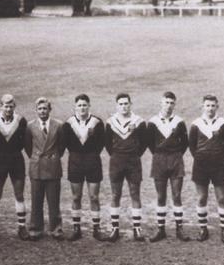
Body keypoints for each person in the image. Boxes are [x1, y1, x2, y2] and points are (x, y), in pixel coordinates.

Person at [188, 94, 224, 243]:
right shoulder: (196, 124)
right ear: (203, 107)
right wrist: (201, 157)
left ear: (217, 107)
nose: (210, 108)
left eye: (213, 105)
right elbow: (192, 146)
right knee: (202, 197)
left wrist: (218, 156)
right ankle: (203, 228)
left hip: (219, 165)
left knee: (221, 197)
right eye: (207, 105)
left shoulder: (223, 124)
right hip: (201, 165)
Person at [146, 91, 190, 242]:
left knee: (177, 195)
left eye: (172, 103)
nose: (169, 106)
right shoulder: (152, 122)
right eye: (166, 102)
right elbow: (150, 144)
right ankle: (161, 229)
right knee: (160, 196)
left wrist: (174, 154)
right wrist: (160, 153)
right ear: (161, 103)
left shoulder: (179, 122)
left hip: (176, 160)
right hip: (159, 160)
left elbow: (185, 143)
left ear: (175, 104)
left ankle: (179, 229)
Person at [0, 94, 30, 240]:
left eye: (11, 106)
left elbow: (26, 140)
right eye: (6, 106)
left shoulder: (21, 121)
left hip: (17, 160)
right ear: (1, 106)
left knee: (19, 195)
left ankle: (22, 227)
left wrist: (15, 150)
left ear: (14, 107)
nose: (8, 109)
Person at [63, 94, 106, 241]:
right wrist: (77, 155)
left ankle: (96, 228)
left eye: (84, 105)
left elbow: (101, 143)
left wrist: (91, 155)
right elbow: (66, 143)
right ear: (75, 107)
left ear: (89, 106)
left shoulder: (97, 122)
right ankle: (76, 229)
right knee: (76, 196)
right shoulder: (68, 123)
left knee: (94, 197)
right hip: (75, 162)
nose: (82, 108)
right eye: (79, 105)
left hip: (92, 161)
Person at [104, 93, 147, 242]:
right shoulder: (110, 122)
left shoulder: (139, 122)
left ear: (130, 104)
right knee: (116, 194)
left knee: (135, 194)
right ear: (117, 105)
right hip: (116, 161)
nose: (124, 106)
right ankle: (115, 228)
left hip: (133, 161)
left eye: (126, 103)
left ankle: (137, 228)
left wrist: (134, 154)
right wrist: (117, 154)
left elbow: (144, 142)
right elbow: (107, 144)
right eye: (121, 104)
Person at [24, 97, 65, 241]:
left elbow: (62, 146)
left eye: (45, 108)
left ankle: (56, 228)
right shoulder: (30, 126)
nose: (42, 111)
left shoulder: (58, 125)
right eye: (40, 109)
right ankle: (35, 228)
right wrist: (36, 157)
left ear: (50, 110)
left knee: (54, 199)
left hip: (53, 166)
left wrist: (52, 156)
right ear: (36, 110)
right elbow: (28, 146)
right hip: (37, 166)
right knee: (36, 199)